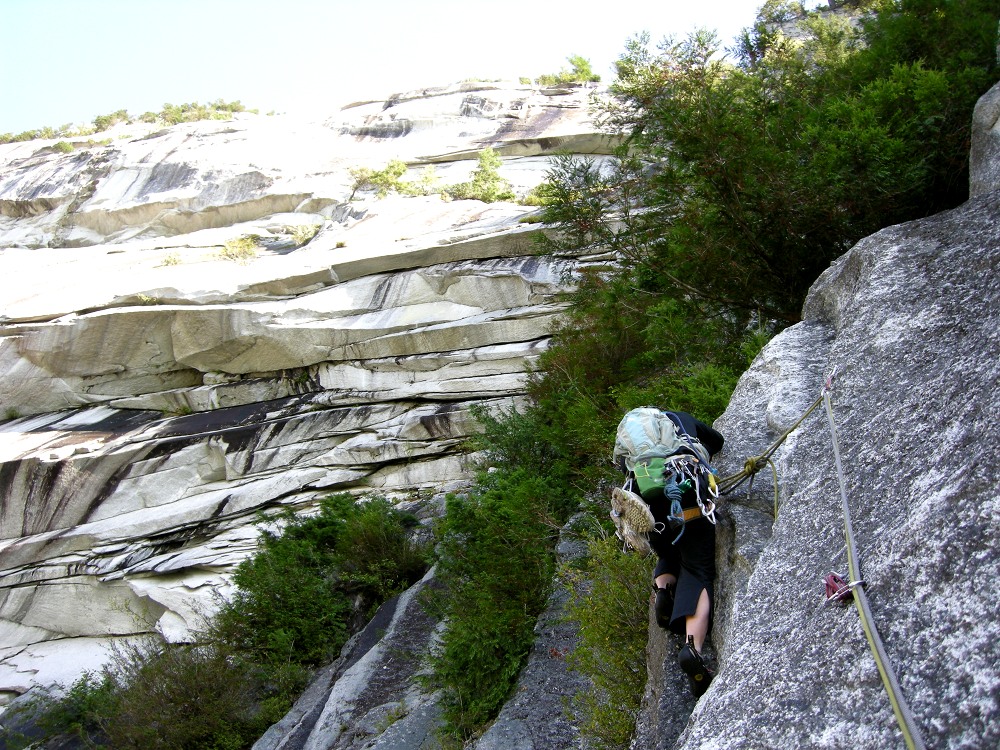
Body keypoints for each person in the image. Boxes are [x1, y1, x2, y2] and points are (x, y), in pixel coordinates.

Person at [612, 408, 724, 697]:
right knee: (697, 569)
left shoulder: (634, 440)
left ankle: (663, 589)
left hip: (646, 501)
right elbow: (717, 441)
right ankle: (692, 649)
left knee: (668, 546)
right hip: (686, 495)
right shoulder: (681, 420)